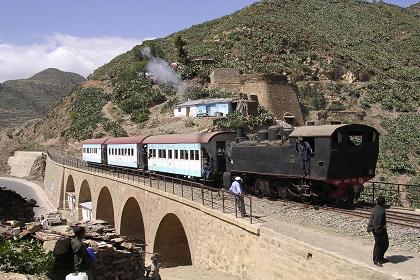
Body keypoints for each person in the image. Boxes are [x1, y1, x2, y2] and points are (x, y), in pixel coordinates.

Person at [367, 196, 389, 267]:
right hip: (378, 230)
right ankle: (376, 260)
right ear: (383, 203)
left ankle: (380, 257)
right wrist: (378, 231)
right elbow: (377, 222)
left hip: (381, 229)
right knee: (378, 245)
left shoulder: (377, 208)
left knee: (385, 243)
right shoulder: (380, 211)